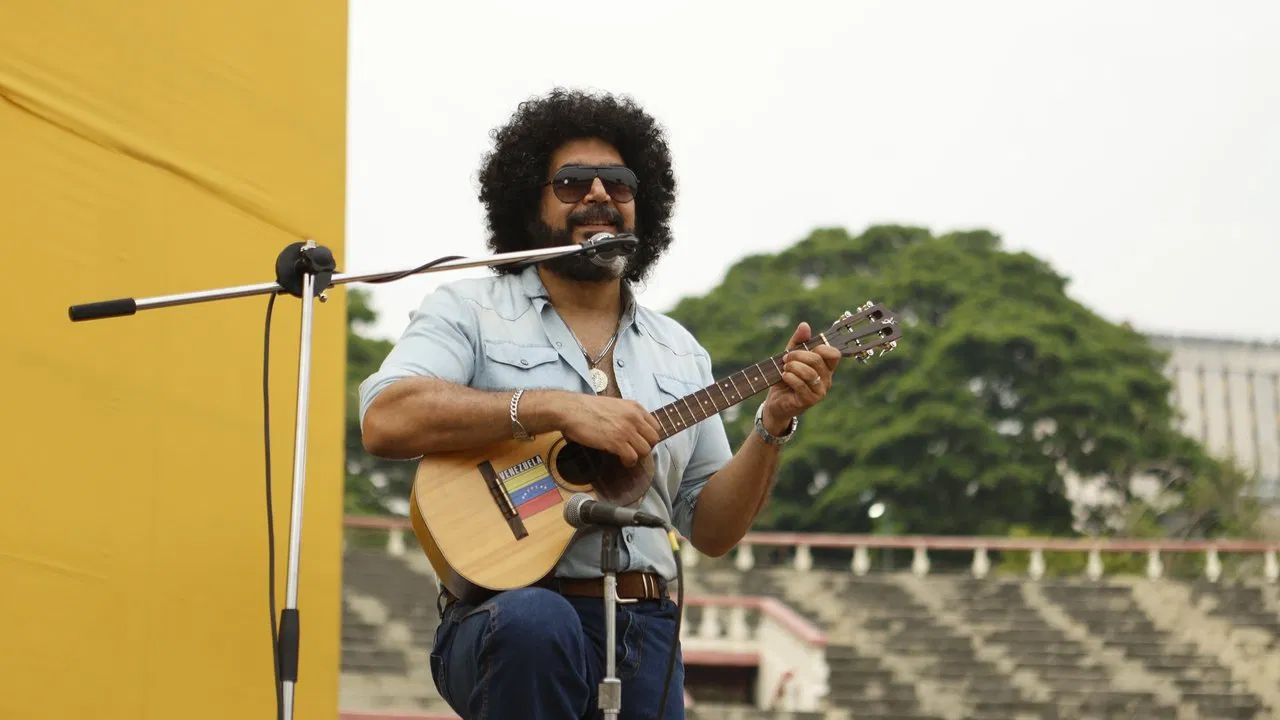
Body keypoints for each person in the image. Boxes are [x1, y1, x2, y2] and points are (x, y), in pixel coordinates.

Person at [358, 88, 842, 720]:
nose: (598, 195)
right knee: (538, 623)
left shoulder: (682, 352)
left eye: (617, 182)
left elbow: (713, 529)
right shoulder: (470, 310)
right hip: (507, 617)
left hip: (646, 630)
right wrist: (551, 407)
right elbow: (387, 416)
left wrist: (774, 425)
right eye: (571, 181)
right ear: (530, 201)